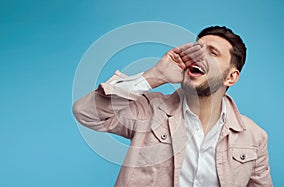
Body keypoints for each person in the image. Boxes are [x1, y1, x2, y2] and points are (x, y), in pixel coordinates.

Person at [73, 26, 273, 186]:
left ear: (231, 77)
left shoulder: (254, 138)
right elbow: (86, 112)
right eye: (196, 49)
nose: (198, 56)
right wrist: (155, 76)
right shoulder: (149, 110)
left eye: (212, 53)